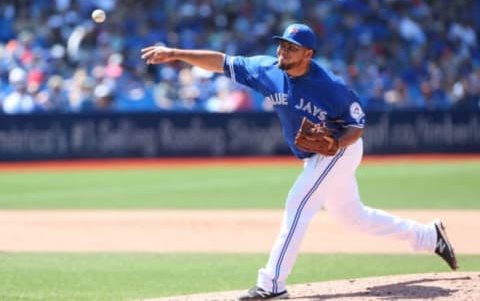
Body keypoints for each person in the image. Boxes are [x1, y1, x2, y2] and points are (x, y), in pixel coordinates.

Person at [141, 23, 458, 300]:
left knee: (298, 202)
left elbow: (357, 125)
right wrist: (175, 53)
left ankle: (271, 283)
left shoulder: (329, 86)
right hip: (317, 157)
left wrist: (336, 142)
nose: (283, 50)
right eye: (282, 44)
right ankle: (428, 236)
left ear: (308, 54)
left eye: (291, 47)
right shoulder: (267, 69)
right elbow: (221, 62)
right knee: (353, 218)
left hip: (339, 151)